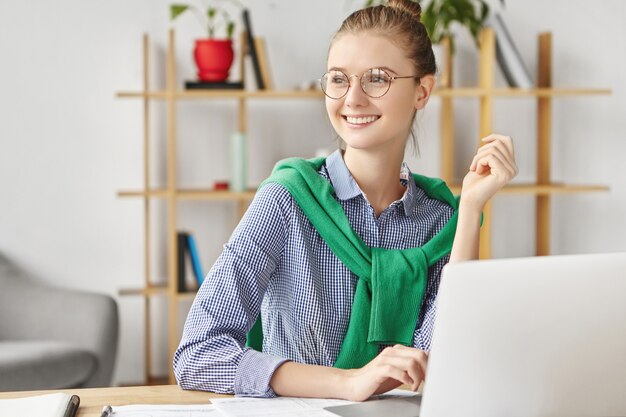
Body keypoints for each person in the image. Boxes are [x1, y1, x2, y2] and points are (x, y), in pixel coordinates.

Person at [173, 0, 518, 401]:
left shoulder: (442, 220)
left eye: (376, 79)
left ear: (422, 90)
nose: (352, 99)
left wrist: (471, 210)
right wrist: (349, 383)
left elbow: (443, 357)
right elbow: (198, 354)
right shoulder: (287, 200)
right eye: (339, 79)